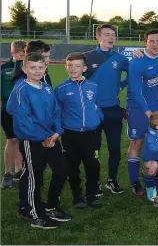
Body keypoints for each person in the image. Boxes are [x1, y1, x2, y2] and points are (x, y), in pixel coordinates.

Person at [7, 53, 71, 229]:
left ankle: (50, 205)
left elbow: (56, 112)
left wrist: (57, 133)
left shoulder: (47, 88)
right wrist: (42, 137)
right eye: (32, 67)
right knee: (34, 176)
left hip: (51, 137)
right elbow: (22, 120)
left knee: (62, 168)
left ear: (45, 69)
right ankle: (36, 215)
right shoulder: (21, 89)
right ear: (24, 68)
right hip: (32, 140)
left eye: (40, 67)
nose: (37, 71)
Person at [83, 24, 130, 194]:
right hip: (93, 112)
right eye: (107, 34)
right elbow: (79, 81)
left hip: (113, 111)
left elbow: (134, 73)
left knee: (115, 149)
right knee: (93, 150)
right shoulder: (87, 57)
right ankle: (94, 182)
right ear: (98, 37)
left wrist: (121, 85)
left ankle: (112, 179)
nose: (111, 37)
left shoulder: (120, 58)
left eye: (113, 34)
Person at [55, 52, 104, 209]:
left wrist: (99, 119)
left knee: (93, 165)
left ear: (84, 68)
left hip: (91, 134)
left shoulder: (93, 86)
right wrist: (59, 129)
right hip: (71, 134)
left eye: (77, 66)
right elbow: (56, 112)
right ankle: (77, 196)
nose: (73, 68)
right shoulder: (61, 89)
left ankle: (92, 194)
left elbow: (96, 106)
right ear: (66, 67)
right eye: (70, 65)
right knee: (72, 166)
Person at [126, 29, 158, 196]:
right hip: (137, 107)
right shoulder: (137, 62)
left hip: (155, 105)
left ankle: (153, 175)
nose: (155, 44)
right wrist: (148, 113)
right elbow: (136, 92)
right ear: (145, 43)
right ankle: (134, 181)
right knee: (137, 143)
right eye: (152, 41)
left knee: (157, 141)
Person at [1, 40, 26, 188]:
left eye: (25, 54)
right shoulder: (4, 69)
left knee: (23, 140)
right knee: (12, 140)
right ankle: (7, 174)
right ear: (13, 53)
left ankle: (19, 170)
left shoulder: (28, 67)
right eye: (21, 54)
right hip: (8, 109)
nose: (23, 57)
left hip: (25, 110)